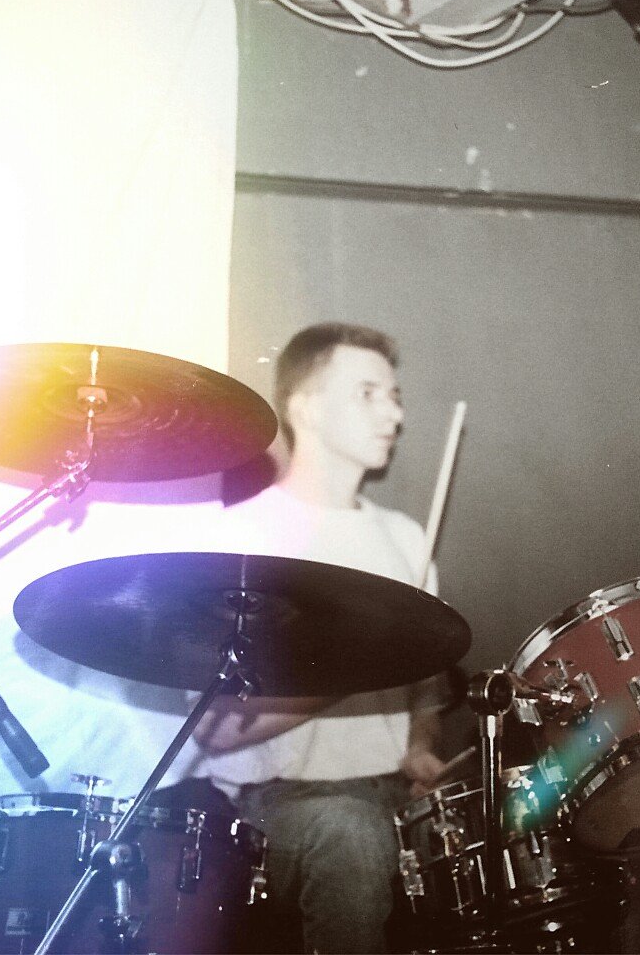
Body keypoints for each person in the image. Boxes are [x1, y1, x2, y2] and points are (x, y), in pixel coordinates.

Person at [192, 322, 448, 954]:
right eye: (368, 393)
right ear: (304, 408)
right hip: (279, 803)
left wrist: (421, 744)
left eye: (395, 396)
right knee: (348, 831)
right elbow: (215, 729)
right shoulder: (242, 537)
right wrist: (352, 670)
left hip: (393, 794)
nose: (395, 414)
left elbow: (428, 679)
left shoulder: (407, 539)